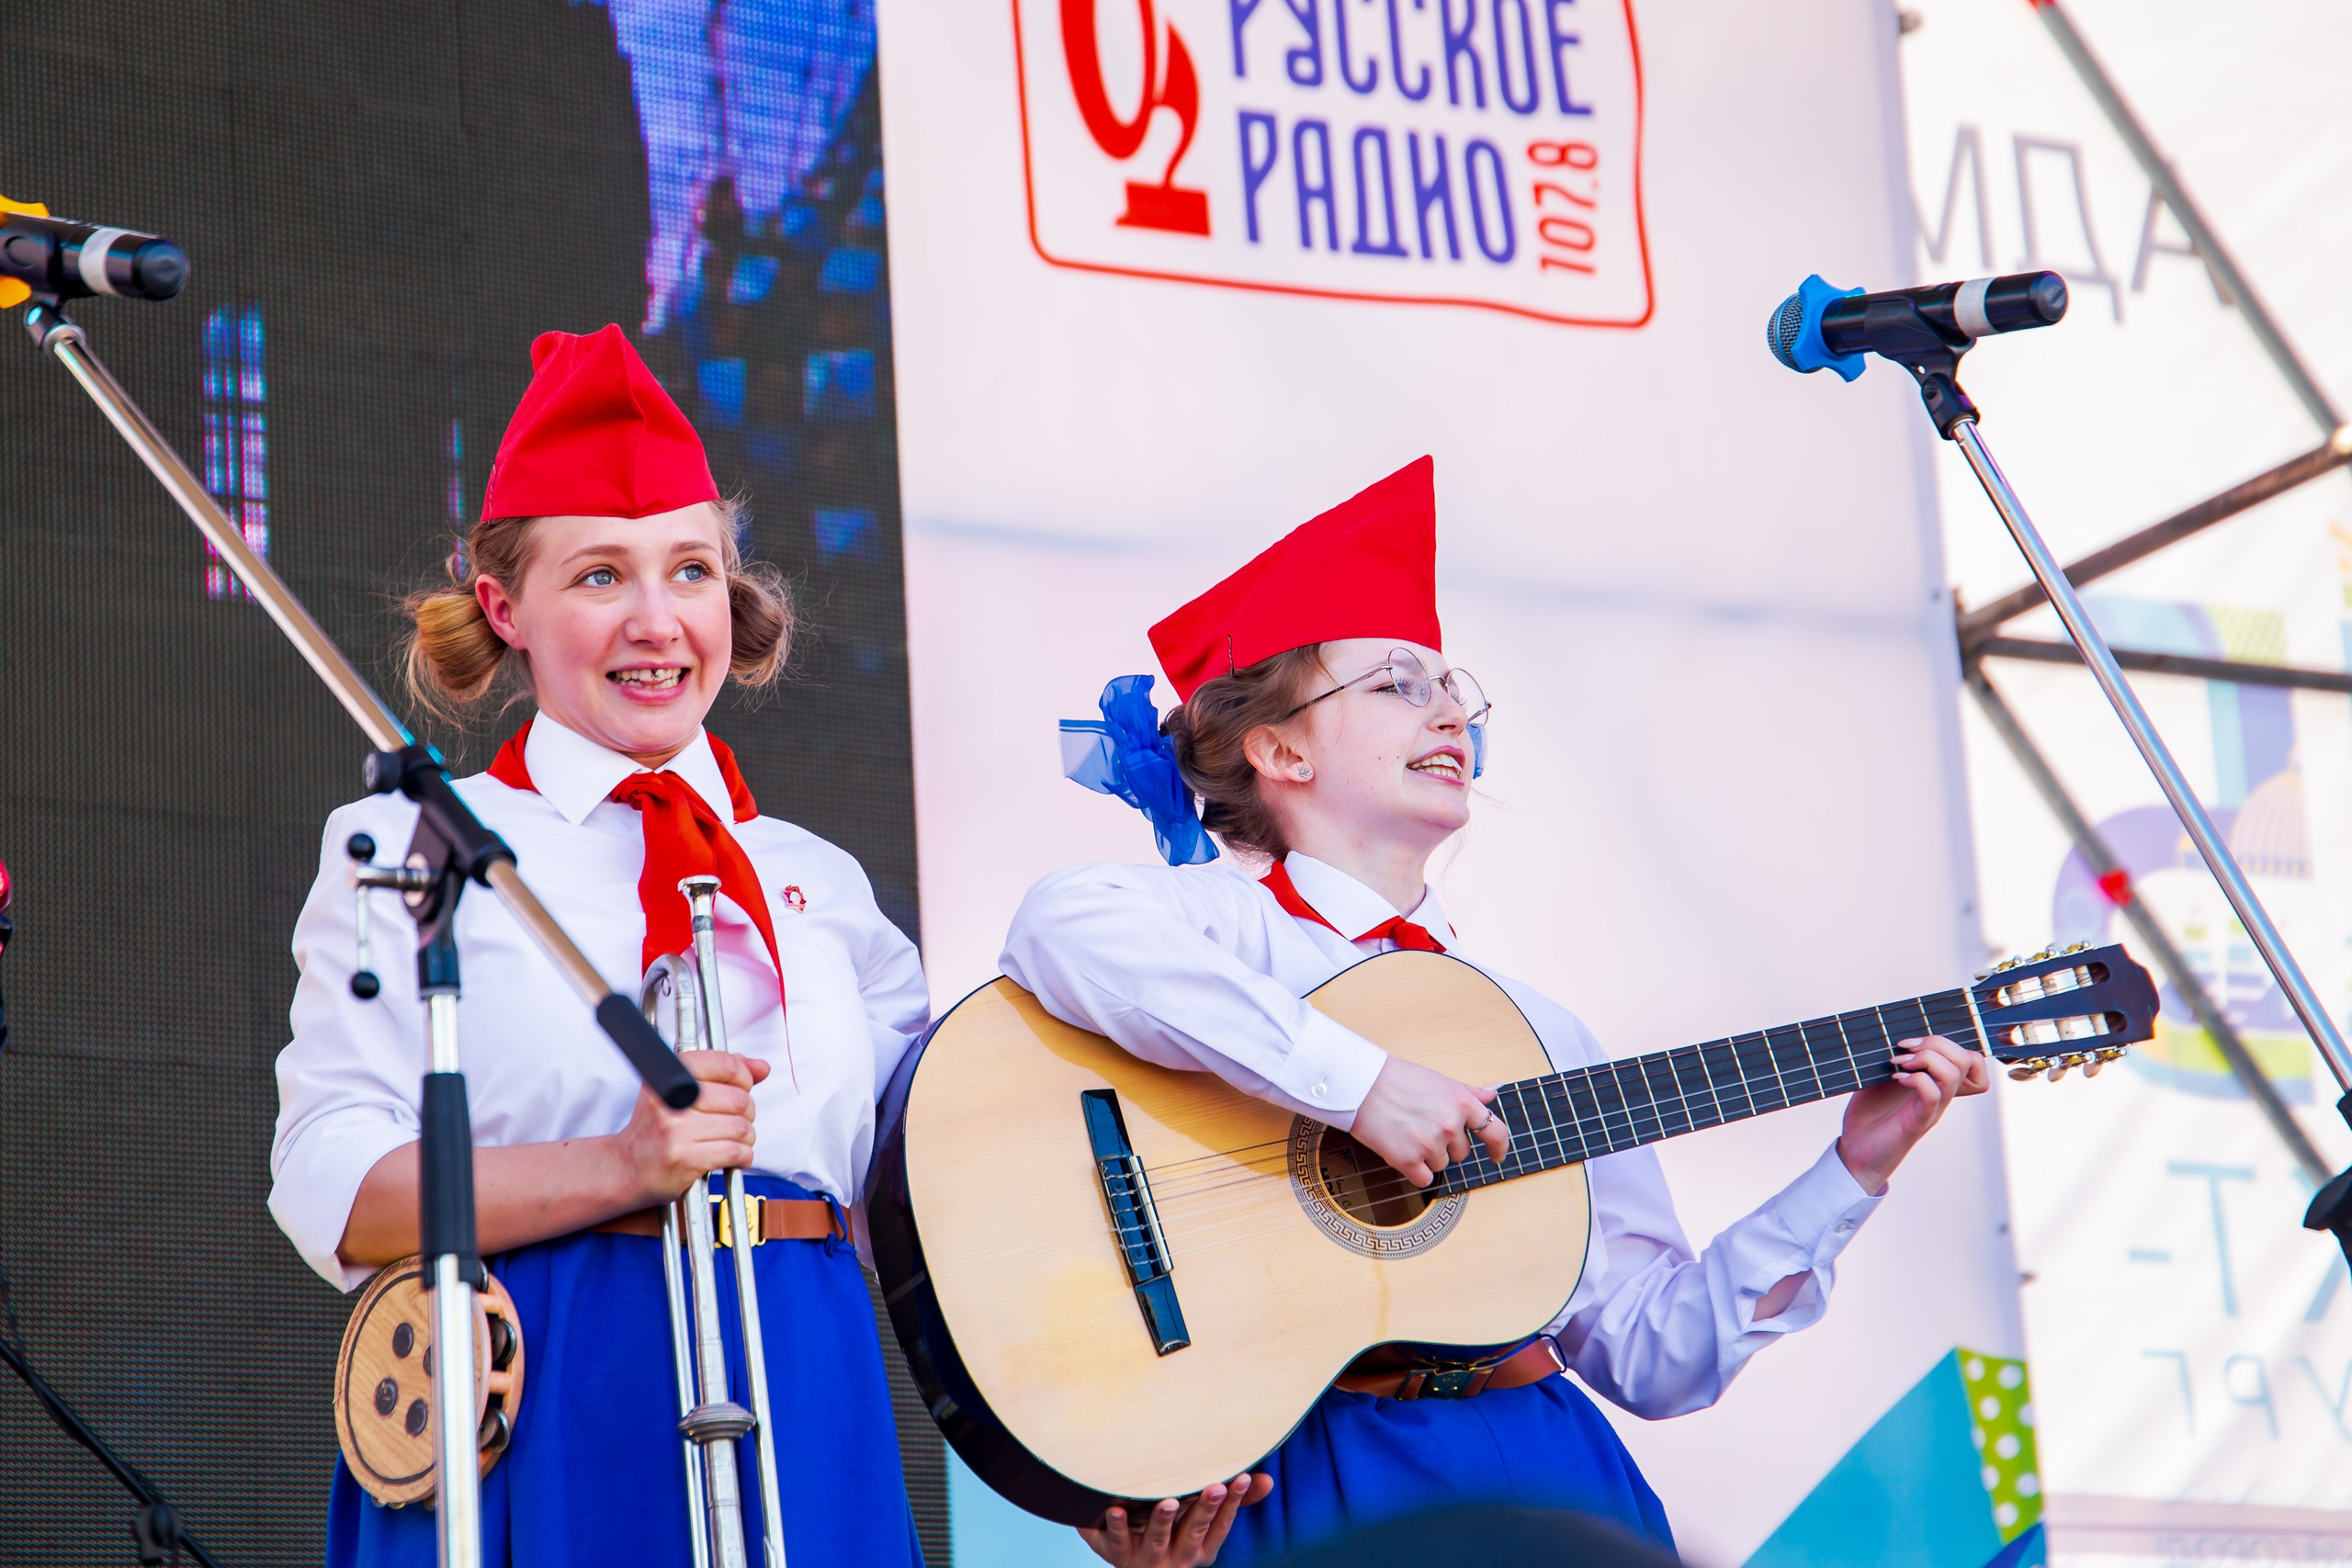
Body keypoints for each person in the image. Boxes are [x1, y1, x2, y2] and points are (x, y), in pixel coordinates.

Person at [1006, 457, 1988, 1567]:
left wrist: (1849, 1171)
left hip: (1545, 1475)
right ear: (1277, 752)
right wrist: (1361, 1087)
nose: (1445, 710)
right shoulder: (1213, 927)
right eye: (1391, 684)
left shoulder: (1530, 1029)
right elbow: (1059, 926)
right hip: (1291, 1466)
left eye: (1450, 689)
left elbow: (1653, 1359)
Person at [269, 325, 930, 1567]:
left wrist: (1100, 1458)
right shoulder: (412, 841)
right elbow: (331, 1184)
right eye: (597, 576)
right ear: (503, 605)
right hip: (554, 1382)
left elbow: (943, 1177)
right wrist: (622, 1163)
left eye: (690, 570)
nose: (657, 619)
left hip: (810, 1384)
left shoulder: (814, 879)